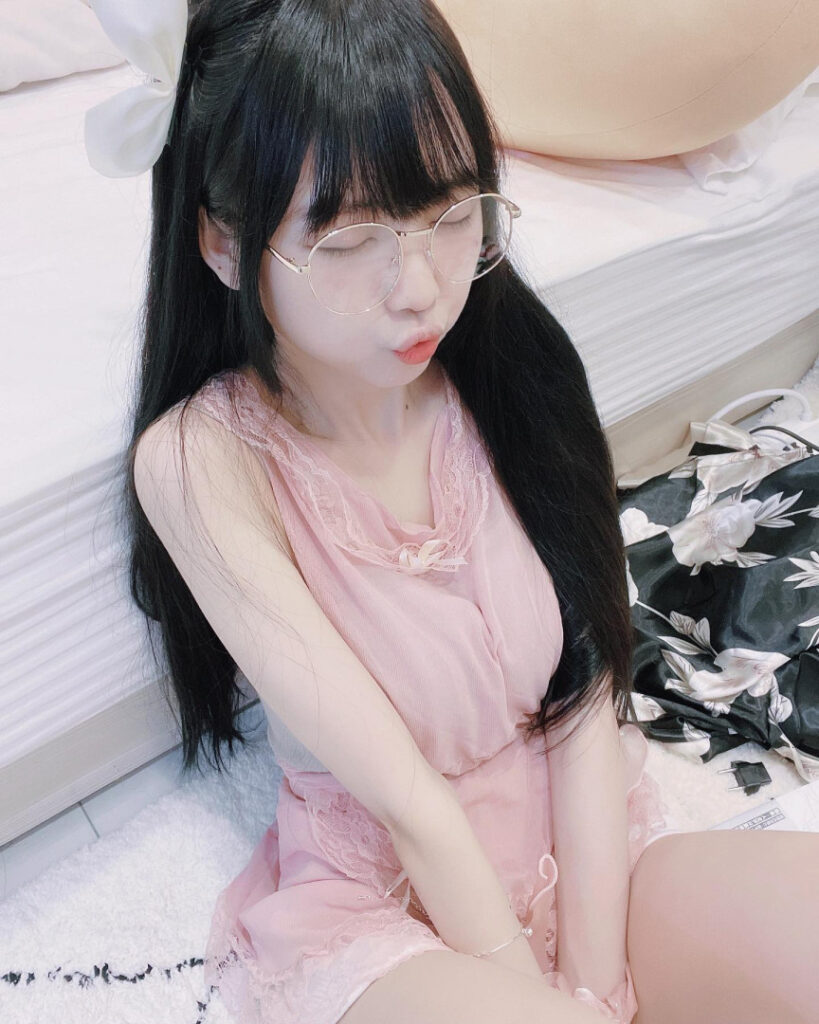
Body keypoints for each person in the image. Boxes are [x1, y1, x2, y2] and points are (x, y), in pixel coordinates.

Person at [85, 1, 819, 1023]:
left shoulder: (505, 365)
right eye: (350, 238)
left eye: (448, 209)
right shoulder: (201, 461)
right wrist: (539, 995)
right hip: (385, 898)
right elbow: (409, 804)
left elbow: (584, 691)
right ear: (221, 241)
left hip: (593, 836)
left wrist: (598, 977)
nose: (419, 288)